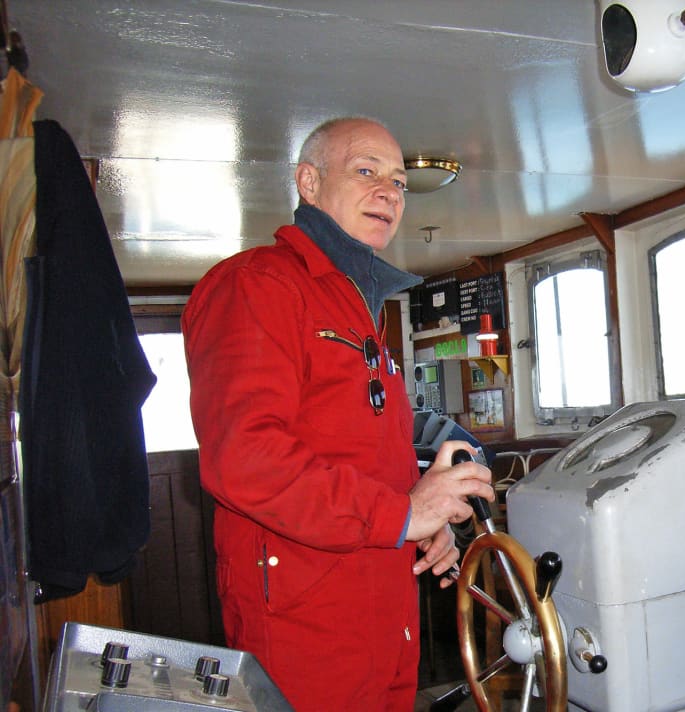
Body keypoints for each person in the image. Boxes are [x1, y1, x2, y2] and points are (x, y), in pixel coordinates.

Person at [182, 117, 495, 711]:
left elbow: (359, 456)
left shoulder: (358, 309)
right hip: (307, 623)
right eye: (365, 172)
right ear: (308, 182)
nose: (389, 193)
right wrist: (402, 514)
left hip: (385, 606)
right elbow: (243, 458)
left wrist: (421, 525)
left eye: (400, 182)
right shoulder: (257, 286)